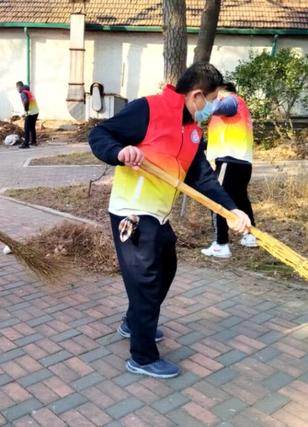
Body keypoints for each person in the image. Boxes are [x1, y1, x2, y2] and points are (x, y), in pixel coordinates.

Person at [88, 63, 251, 379]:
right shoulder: (149, 109)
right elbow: (99, 133)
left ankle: (134, 321)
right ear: (197, 95)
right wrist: (120, 152)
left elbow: (202, 177)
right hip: (133, 212)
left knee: (168, 266)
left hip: (158, 214)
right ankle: (143, 357)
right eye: (214, 100)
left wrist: (231, 210)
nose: (215, 107)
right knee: (147, 280)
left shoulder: (191, 130)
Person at [201, 82, 257, 258]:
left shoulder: (231, 101)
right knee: (240, 199)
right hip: (242, 162)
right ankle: (250, 235)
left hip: (229, 161)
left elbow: (216, 107)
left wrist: (205, 101)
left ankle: (221, 244)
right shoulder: (239, 110)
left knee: (216, 198)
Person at [16, 81, 39, 149]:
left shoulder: (23, 93)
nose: (17, 90)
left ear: (18, 87)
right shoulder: (28, 91)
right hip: (36, 111)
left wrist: (26, 110)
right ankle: (33, 141)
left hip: (30, 112)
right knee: (32, 127)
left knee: (26, 128)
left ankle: (26, 144)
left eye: (17, 88)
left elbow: (26, 101)